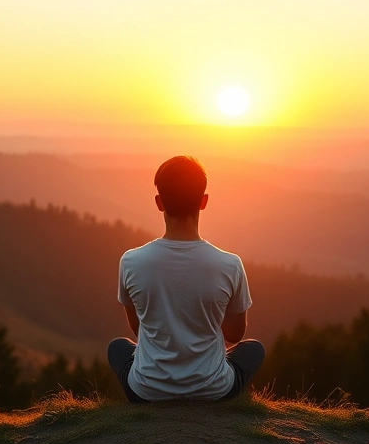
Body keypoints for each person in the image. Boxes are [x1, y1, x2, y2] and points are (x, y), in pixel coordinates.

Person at [108, 155, 265, 402]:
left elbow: (139, 327)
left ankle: (154, 378)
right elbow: (235, 335)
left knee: (117, 347)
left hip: (147, 392)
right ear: (203, 202)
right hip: (213, 391)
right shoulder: (230, 265)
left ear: (159, 203)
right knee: (254, 349)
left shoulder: (131, 261)